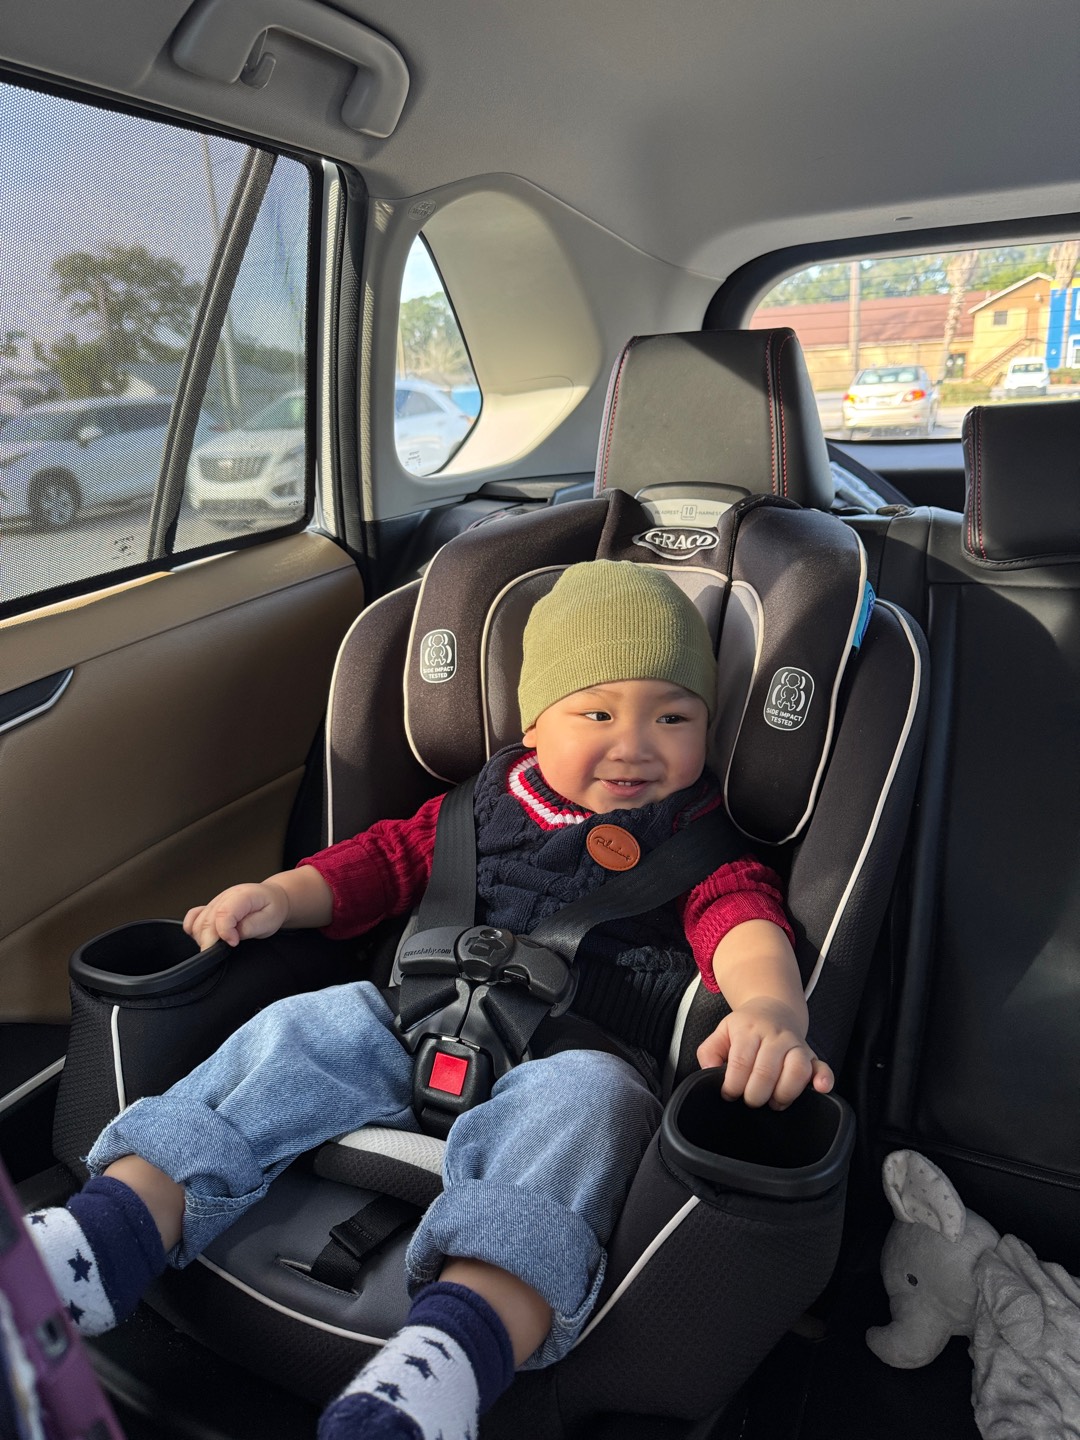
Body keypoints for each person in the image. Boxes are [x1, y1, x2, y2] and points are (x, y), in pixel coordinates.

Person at [27, 560, 833, 1440]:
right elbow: (378, 864)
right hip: (407, 1023)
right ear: (535, 722)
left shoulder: (698, 842)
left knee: (593, 1109)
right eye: (597, 714)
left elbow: (743, 925)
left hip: (574, 1054)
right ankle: (104, 1239)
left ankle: (444, 1364)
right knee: (300, 1026)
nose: (636, 743)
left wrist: (770, 1009)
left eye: (674, 717)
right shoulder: (479, 803)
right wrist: (281, 896)